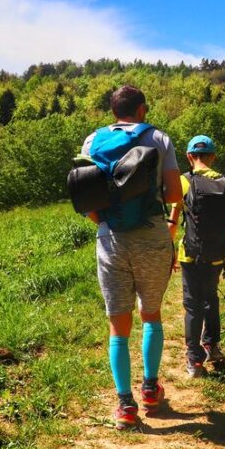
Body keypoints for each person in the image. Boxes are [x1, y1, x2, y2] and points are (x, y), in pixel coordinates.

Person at [80, 85, 182, 430]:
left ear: (114, 111)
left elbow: (84, 195)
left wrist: (105, 222)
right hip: (152, 234)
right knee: (151, 314)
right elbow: (173, 193)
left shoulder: (92, 141)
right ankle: (151, 389)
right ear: (142, 109)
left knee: (118, 325)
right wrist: (168, 224)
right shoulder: (159, 138)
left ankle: (125, 406)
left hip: (110, 239)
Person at [168, 135, 225, 378]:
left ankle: (194, 360)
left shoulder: (183, 182)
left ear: (189, 157)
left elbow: (173, 220)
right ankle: (212, 345)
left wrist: (169, 253)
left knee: (192, 304)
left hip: (189, 255)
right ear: (213, 157)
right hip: (217, 255)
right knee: (211, 298)